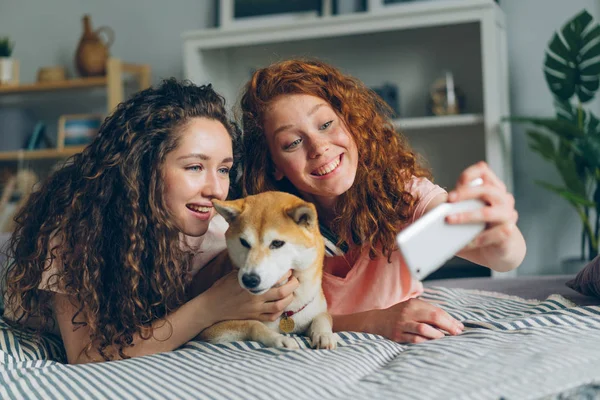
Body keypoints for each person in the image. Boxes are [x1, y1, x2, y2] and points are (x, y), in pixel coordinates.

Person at [2, 79, 298, 364]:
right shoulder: (76, 237)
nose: (217, 190)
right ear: (143, 169)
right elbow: (85, 355)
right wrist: (210, 305)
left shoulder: (223, 235)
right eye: (195, 167)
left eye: (223, 170)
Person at [239, 59, 526, 344]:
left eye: (326, 124)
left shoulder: (398, 192)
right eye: (292, 142)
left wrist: (499, 232)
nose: (319, 147)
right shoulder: (265, 230)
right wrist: (376, 320)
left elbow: (504, 258)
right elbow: (284, 322)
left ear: (350, 123)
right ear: (273, 163)